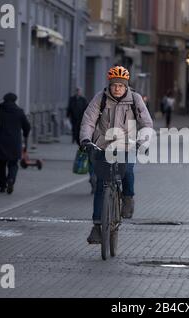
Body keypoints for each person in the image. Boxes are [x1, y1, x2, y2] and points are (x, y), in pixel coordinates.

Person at [80, 66, 153, 244]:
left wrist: (144, 141)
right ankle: (97, 226)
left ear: (126, 86)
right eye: (114, 85)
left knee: (127, 170)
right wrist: (85, 140)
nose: (117, 88)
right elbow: (88, 121)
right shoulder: (101, 98)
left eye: (121, 85)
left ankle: (128, 197)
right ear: (110, 85)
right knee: (100, 184)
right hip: (103, 146)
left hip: (127, 145)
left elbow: (146, 123)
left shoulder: (135, 100)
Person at [0, 93, 31, 194]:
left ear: (4, 99)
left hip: (0, 141)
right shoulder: (19, 112)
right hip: (14, 143)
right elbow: (27, 126)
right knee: (13, 164)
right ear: (15, 100)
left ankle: (2, 186)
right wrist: (25, 135)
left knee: (1, 164)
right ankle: (11, 180)